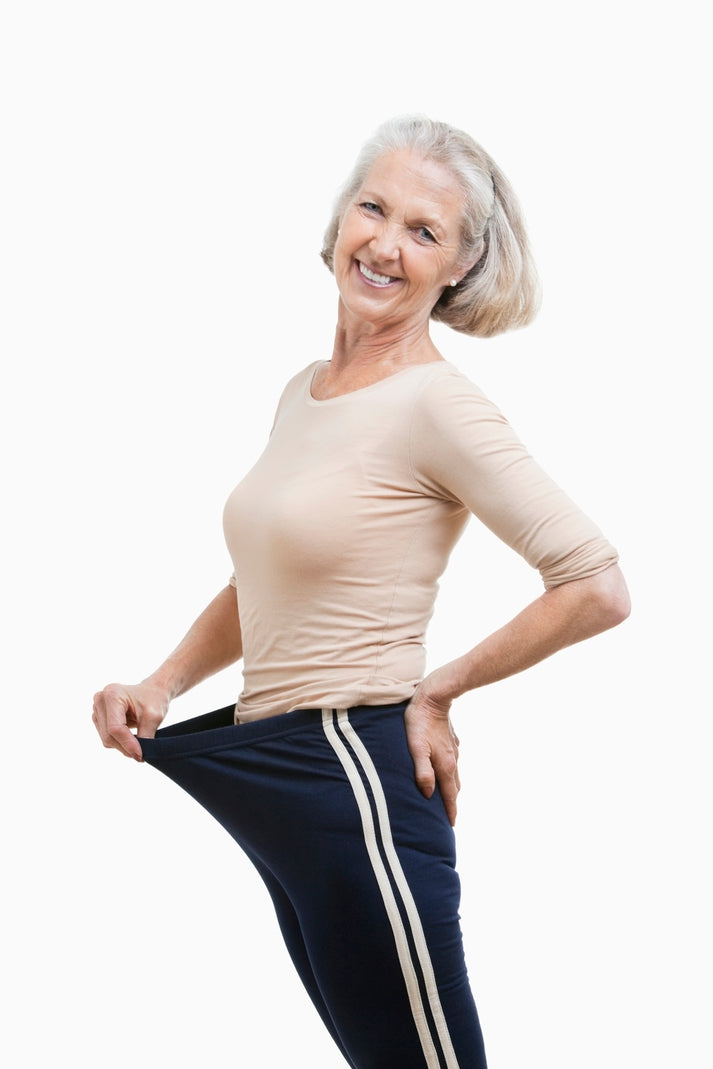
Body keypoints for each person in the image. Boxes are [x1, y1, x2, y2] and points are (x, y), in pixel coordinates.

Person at [93, 115, 630, 1068]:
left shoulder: (438, 403)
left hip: (355, 779)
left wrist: (439, 687)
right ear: (340, 217)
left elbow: (593, 583)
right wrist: (165, 681)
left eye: (423, 232)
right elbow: (259, 578)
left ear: (460, 267)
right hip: (281, 780)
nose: (384, 243)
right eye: (373, 208)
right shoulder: (305, 389)